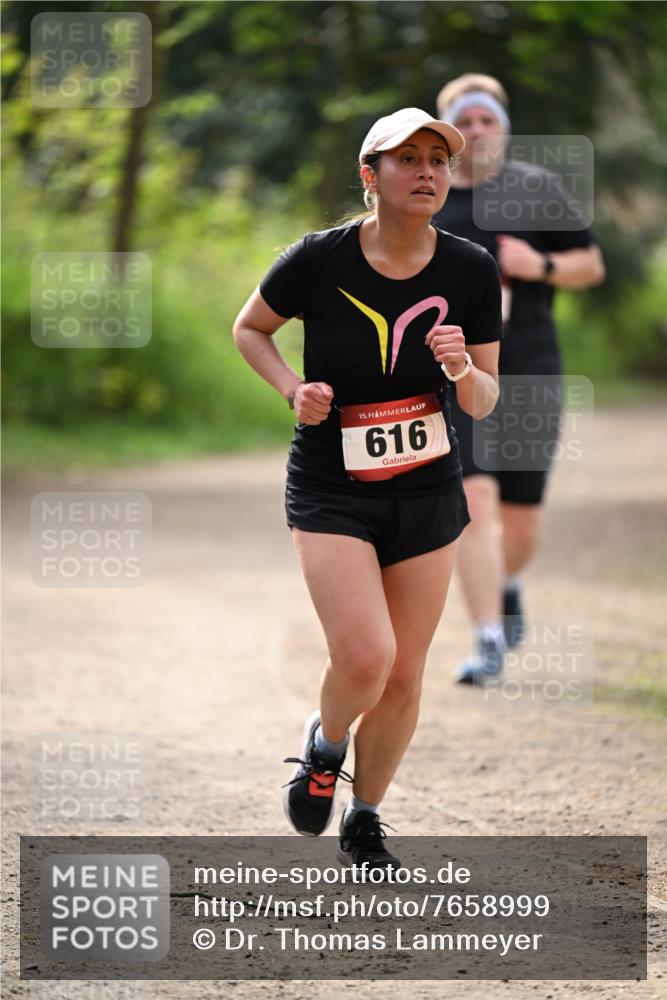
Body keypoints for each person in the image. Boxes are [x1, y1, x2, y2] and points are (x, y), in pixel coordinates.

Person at [232, 108, 502, 873]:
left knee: (406, 673)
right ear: (369, 175)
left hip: (425, 489)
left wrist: (459, 370)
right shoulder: (318, 260)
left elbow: (484, 399)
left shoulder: (469, 270)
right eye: (407, 159)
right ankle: (323, 748)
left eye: (437, 161)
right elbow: (249, 328)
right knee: (364, 656)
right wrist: (292, 388)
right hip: (331, 484)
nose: (426, 172)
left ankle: (366, 816)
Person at [432, 74, 605, 684]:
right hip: (454, 374)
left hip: (530, 370)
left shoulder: (537, 189)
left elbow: (591, 265)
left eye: (487, 120)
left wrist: (542, 264)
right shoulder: (432, 195)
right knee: (472, 503)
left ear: (503, 128)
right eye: (466, 121)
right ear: (450, 133)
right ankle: (485, 640)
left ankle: (507, 584)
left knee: (522, 516)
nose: (477, 131)